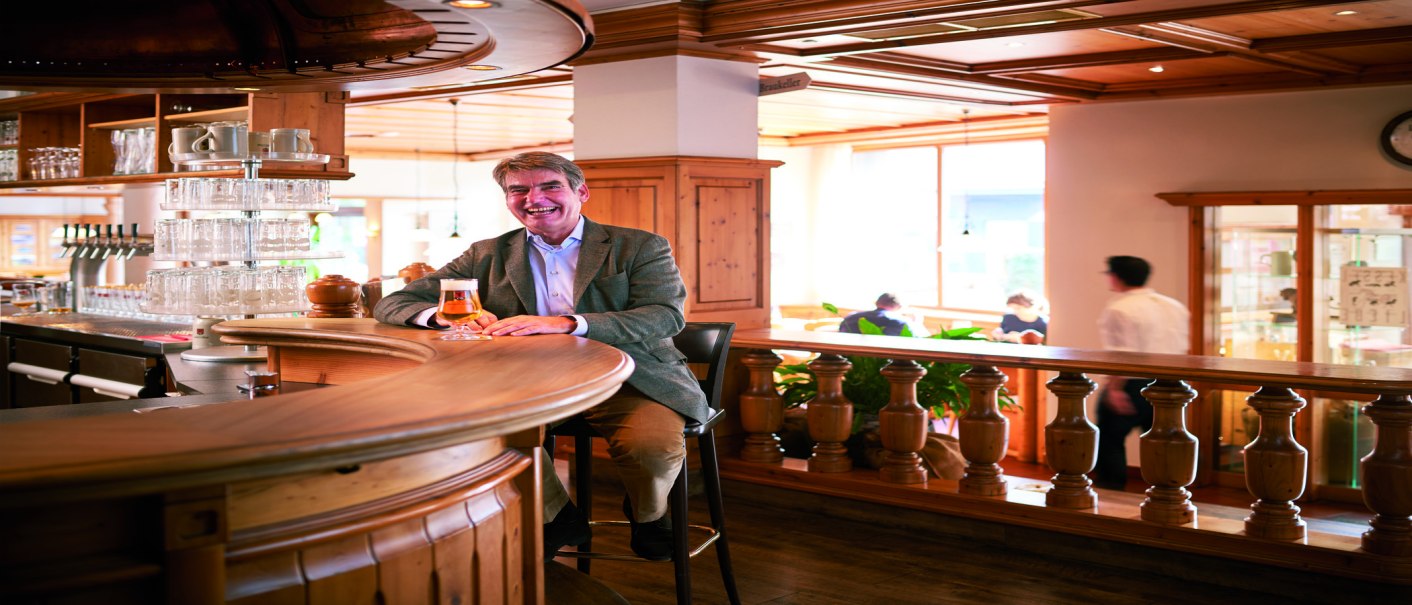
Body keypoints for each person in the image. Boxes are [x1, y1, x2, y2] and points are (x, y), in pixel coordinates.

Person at [374, 151, 705, 562]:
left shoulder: (639, 246)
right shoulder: (485, 254)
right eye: (519, 190)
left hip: (631, 379)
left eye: (550, 186)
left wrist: (568, 323)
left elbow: (664, 315)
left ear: (580, 192)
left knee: (652, 448)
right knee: (485, 434)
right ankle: (558, 517)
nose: (534, 198)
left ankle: (649, 515)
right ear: (509, 200)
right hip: (527, 383)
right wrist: (438, 315)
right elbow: (395, 302)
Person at [1094, 255, 1190, 490]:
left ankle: (1111, 496)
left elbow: (1123, 354)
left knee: (1109, 439)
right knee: (1163, 442)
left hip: (1134, 382)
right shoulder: (1173, 306)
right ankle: (1170, 492)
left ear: (1115, 277)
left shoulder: (1119, 308)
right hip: (1172, 382)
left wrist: (1115, 388)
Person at [838, 292, 930, 337]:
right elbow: (922, 340)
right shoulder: (902, 322)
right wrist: (918, 323)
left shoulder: (850, 319)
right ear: (899, 307)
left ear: (877, 303)